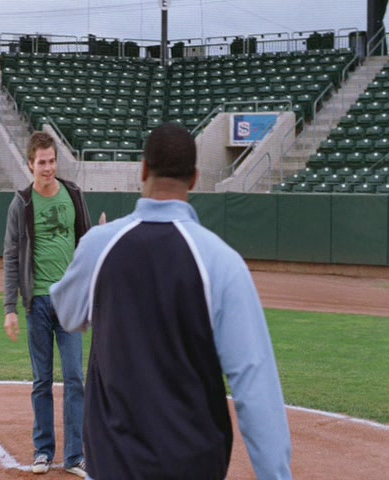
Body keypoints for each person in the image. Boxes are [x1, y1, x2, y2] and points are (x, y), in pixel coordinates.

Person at [50, 123, 292, 480]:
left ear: (143, 169)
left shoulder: (99, 246)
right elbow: (255, 387)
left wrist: (89, 252)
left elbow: (68, 315)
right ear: (194, 179)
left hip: (114, 461)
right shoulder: (222, 261)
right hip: (193, 462)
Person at [3, 131, 91, 477]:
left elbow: (85, 244)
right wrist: (10, 308)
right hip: (37, 301)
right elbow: (12, 256)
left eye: (52, 161)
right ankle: (43, 451)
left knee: (75, 379)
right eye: (42, 162)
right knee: (42, 381)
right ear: (30, 164)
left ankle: (74, 456)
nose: (48, 168)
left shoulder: (74, 195)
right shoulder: (21, 204)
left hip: (70, 302)